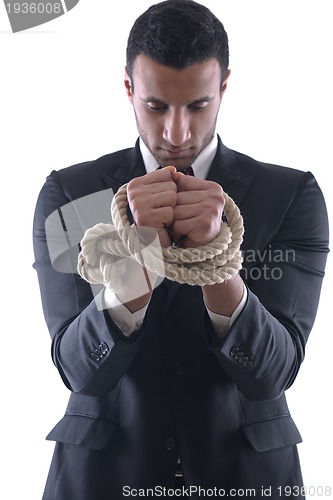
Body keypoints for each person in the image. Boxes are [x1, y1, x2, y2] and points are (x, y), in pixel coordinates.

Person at [32, 1, 329, 498]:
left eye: (197, 105)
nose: (176, 133)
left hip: (246, 479)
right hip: (102, 478)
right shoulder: (72, 196)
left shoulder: (290, 195)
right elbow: (78, 370)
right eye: (156, 106)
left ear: (223, 89)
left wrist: (217, 263)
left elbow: (274, 374)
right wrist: (137, 265)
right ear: (129, 87)